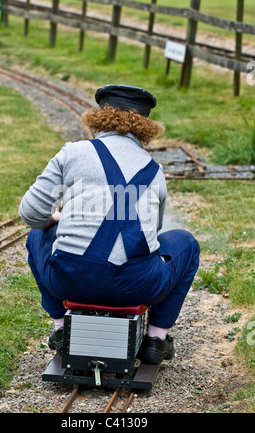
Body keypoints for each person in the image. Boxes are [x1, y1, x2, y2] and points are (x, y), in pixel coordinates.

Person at [19, 84, 200, 365]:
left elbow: (30, 213)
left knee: (37, 233)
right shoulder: (154, 171)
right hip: (137, 286)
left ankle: (60, 327)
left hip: (69, 281)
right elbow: (154, 231)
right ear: (146, 126)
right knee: (186, 243)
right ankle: (156, 338)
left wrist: (57, 219)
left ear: (97, 117)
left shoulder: (72, 153)